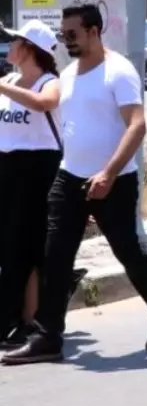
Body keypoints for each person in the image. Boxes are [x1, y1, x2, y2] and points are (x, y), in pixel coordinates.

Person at [4, 5, 147, 365]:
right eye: (63, 35)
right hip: (69, 178)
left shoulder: (118, 72)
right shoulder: (68, 75)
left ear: (94, 31)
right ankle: (47, 335)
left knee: (128, 252)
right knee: (55, 256)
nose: (65, 41)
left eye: (72, 34)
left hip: (114, 179)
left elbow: (137, 126)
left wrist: (109, 172)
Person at [0, 21, 62, 348]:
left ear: (29, 48)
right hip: (7, 165)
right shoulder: (9, 79)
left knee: (22, 247)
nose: (8, 47)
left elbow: (44, 103)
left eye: (14, 42)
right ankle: (19, 317)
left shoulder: (49, 82)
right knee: (10, 247)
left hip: (37, 168)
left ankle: (22, 319)